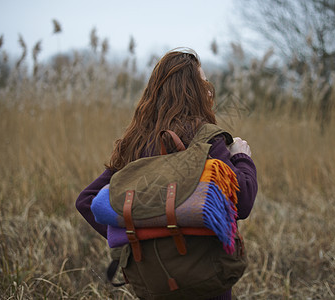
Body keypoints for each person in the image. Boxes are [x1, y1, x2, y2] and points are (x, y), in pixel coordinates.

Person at [76, 48, 257, 300]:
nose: (208, 92)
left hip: (154, 281)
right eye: (203, 84)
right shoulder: (206, 138)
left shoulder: (136, 144)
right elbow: (243, 202)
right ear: (191, 91)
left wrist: (138, 239)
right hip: (205, 281)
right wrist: (241, 157)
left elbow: (86, 200)